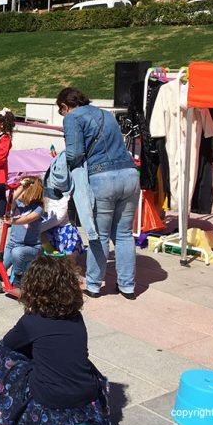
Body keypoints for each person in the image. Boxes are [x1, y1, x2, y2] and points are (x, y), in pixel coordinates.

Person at [0, 255, 110, 425]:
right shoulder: (76, 317)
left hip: (51, 402)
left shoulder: (31, 321)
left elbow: (7, 345)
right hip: (87, 396)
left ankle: (4, 421)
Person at [57, 87, 139, 300]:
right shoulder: (105, 113)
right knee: (123, 235)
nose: (63, 115)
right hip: (130, 175)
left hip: (102, 178)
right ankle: (127, 286)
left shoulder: (72, 118)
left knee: (99, 235)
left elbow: (74, 154)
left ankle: (93, 285)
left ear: (65, 106)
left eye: (61, 111)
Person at [0, 176, 45, 283]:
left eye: (24, 189)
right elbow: (12, 198)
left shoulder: (39, 208)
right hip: (12, 245)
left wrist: (12, 221)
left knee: (17, 252)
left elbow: (27, 219)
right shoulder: (18, 204)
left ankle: (18, 276)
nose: (21, 191)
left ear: (32, 192)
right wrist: (22, 186)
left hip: (31, 247)